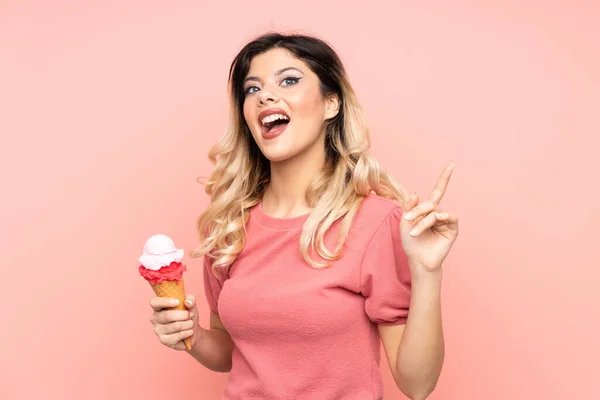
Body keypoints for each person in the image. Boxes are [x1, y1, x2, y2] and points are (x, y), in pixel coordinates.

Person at [148, 32, 459, 400]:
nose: (265, 95)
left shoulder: (374, 222)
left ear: (331, 103)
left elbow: (417, 385)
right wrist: (194, 336)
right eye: (251, 89)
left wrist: (426, 272)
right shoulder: (227, 225)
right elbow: (234, 351)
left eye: (289, 80)